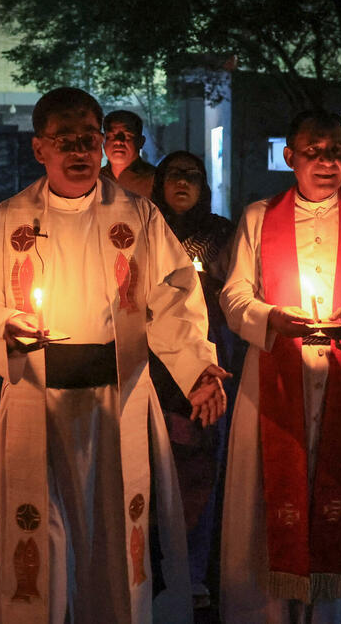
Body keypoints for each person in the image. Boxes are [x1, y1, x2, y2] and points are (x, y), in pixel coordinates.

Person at [0, 87, 228, 624]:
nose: (80, 150)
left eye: (88, 138)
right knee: (40, 539)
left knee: (115, 539)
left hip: (116, 403)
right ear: (39, 148)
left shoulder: (138, 215)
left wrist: (196, 368)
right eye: (65, 140)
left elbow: (172, 299)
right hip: (37, 399)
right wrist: (7, 325)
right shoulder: (8, 219)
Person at [219, 110, 341, 622]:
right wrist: (271, 318)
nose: (327, 162)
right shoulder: (259, 217)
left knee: (340, 502)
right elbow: (234, 295)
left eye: (337, 152)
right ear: (290, 157)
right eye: (314, 152)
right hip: (276, 381)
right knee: (266, 500)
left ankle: (333, 615)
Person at [149, 151, 236, 608]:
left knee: (200, 463)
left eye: (192, 176)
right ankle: (151, 566)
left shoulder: (220, 234)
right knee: (154, 461)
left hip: (210, 354)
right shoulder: (145, 230)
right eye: (174, 175)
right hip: (155, 359)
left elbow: (240, 289)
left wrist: (210, 294)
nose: (182, 183)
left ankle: (195, 570)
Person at [100, 109, 157, 199]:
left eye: (127, 135)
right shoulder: (93, 180)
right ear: (103, 142)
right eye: (111, 136)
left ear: (141, 142)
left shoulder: (156, 180)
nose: (118, 141)